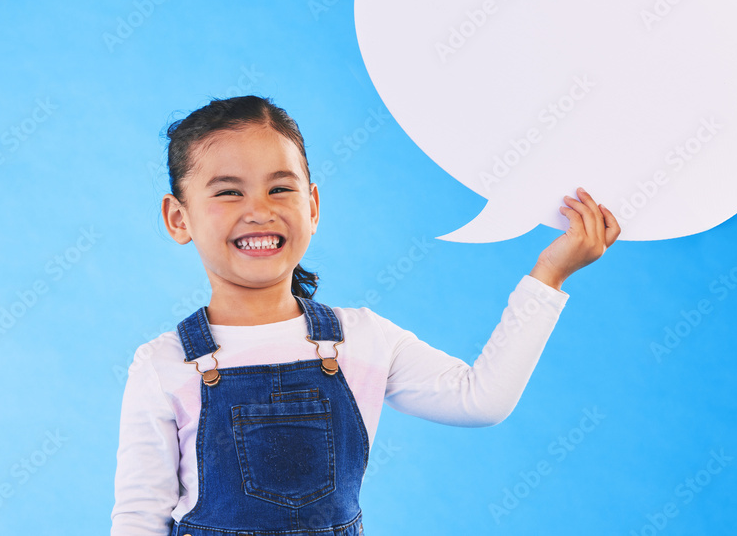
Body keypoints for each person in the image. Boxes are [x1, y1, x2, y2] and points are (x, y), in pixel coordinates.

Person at [111, 94, 620, 536]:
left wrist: (549, 277)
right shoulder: (164, 366)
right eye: (228, 191)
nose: (259, 209)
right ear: (179, 218)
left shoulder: (363, 341)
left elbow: (481, 400)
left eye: (280, 187)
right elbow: (138, 518)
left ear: (313, 205)